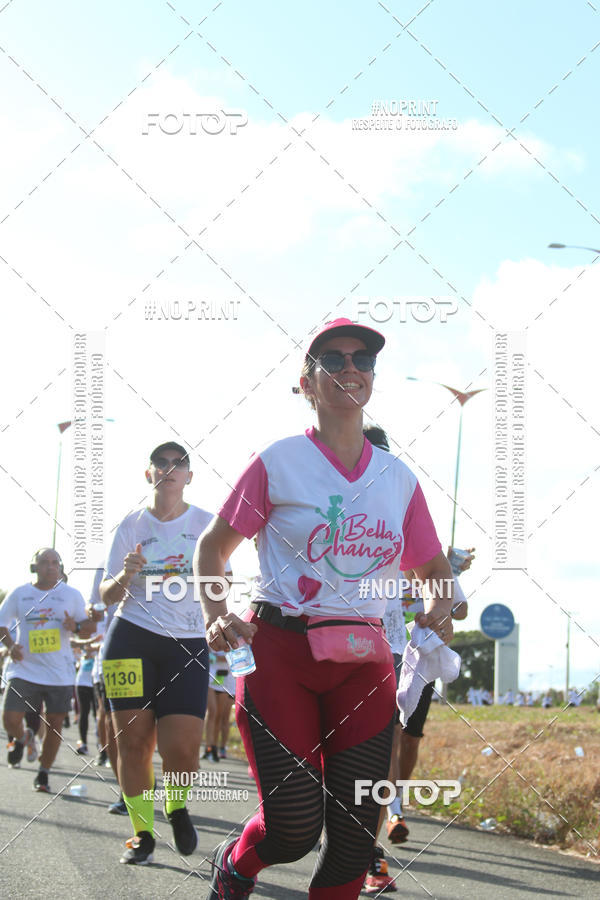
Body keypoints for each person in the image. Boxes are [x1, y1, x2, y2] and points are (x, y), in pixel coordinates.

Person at [195, 318, 454, 899]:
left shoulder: (398, 479)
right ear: (307, 383)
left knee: (356, 843)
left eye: (362, 359)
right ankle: (235, 865)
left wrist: (438, 607)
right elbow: (212, 547)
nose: (350, 369)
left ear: (372, 378)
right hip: (278, 654)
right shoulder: (277, 461)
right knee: (291, 829)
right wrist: (215, 611)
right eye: (332, 361)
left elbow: (436, 573)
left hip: (366, 664)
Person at [100, 442, 222, 864]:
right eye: (162, 462)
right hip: (131, 640)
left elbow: (221, 586)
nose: (170, 468)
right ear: (148, 473)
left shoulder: (207, 524)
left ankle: (176, 806)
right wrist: (125, 574)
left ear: (190, 476)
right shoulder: (131, 525)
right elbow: (104, 595)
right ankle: (142, 834)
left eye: (179, 463)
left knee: (183, 748)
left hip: (187, 645)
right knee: (132, 742)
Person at [362, 425, 473, 891]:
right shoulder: (346, 524)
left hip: (407, 659)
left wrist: (439, 593)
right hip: (351, 650)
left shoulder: (413, 533)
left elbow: (458, 606)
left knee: (400, 742)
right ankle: (382, 822)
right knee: (373, 746)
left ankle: (391, 811)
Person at [0, 548, 94, 792]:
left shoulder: (71, 595)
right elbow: (2, 625)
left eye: (55, 562)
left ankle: (43, 773)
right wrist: (11, 646)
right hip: (24, 669)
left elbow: (88, 628)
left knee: (54, 724)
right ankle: (22, 738)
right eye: (44, 562)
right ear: (34, 566)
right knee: (10, 719)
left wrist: (75, 626)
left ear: (60, 568)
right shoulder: (20, 594)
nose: (51, 567)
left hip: (59, 672)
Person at [202, 651, 235, 761]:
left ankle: (214, 746)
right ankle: (208, 747)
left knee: (219, 716)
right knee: (212, 711)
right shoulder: (211, 633)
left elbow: (235, 656)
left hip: (224, 679)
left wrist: (223, 658)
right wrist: (213, 657)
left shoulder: (232, 636)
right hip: (210, 677)